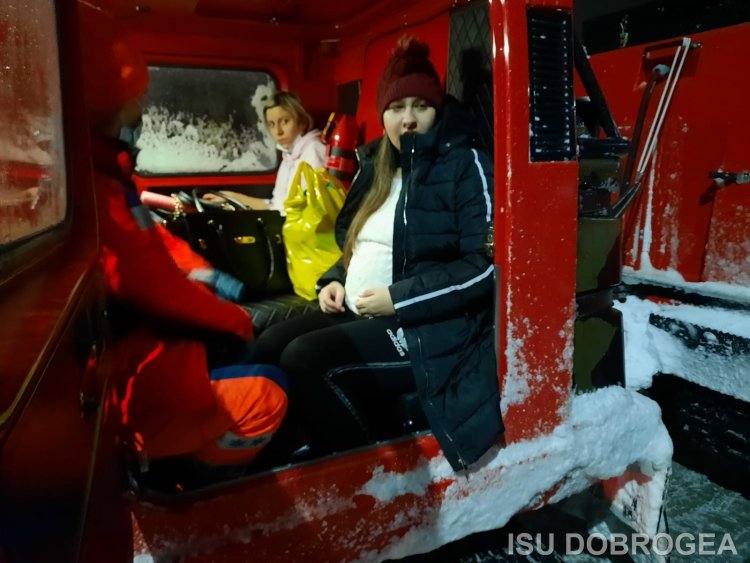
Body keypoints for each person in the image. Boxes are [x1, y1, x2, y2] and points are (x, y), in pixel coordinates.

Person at [252, 37, 503, 471]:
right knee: (270, 343)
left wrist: (399, 298)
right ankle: (299, 448)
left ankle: (369, 475)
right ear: (382, 114)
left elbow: (481, 267)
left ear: (437, 111)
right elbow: (360, 243)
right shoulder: (379, 168)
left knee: (305, 358)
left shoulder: (465, 166)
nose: (407, 119)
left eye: (419, 107)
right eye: (395, 108)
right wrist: (333, 278)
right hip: (361, 308)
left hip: (426, 323)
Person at [78, 1, 287, 475]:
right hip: (134, 381)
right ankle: (199, 485)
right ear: (102, 103)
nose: (140, 118)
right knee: (268, 392)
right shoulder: (97, 187)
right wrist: (233, 323)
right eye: (132, 105)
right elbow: (149, 285)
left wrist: (201, 269)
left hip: (127, 358)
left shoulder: (99, 177)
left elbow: (151, 246)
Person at [206, 91, 327, 214]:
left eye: (285, 121)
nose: (278, 131)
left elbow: (308, 209)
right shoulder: (289, 157)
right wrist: (231, 197)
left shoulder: (313, 150)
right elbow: (275, 205)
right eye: (272, 124)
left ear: (302, 122)